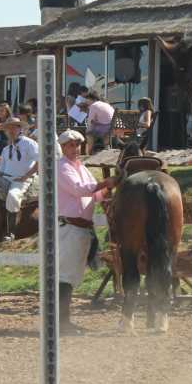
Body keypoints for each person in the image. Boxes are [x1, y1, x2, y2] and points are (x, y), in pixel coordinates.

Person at [55, 129, 117, 335]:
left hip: (80, 227)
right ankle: (61, 322)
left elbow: (95, 195)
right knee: (65, 275)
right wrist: (105, 183)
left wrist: (108, 187)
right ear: (63, 147)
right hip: (69, 227)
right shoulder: (61, 167)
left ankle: (64, 321)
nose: (75, 148)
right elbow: (80, 189)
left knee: (71, 275)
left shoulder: (80, 167)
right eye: (71, 145)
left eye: (78, 144)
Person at [0, 116, 39, 242]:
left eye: (14, 127)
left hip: (21, 179)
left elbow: (39, 160)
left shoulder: (29, 143)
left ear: (20, 128)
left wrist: (26, 175)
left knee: (13, 196)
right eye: (8, 128)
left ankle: (11, 232)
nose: (11, 130)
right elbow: (1, 171)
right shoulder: (5, 149)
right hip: (5, 179)